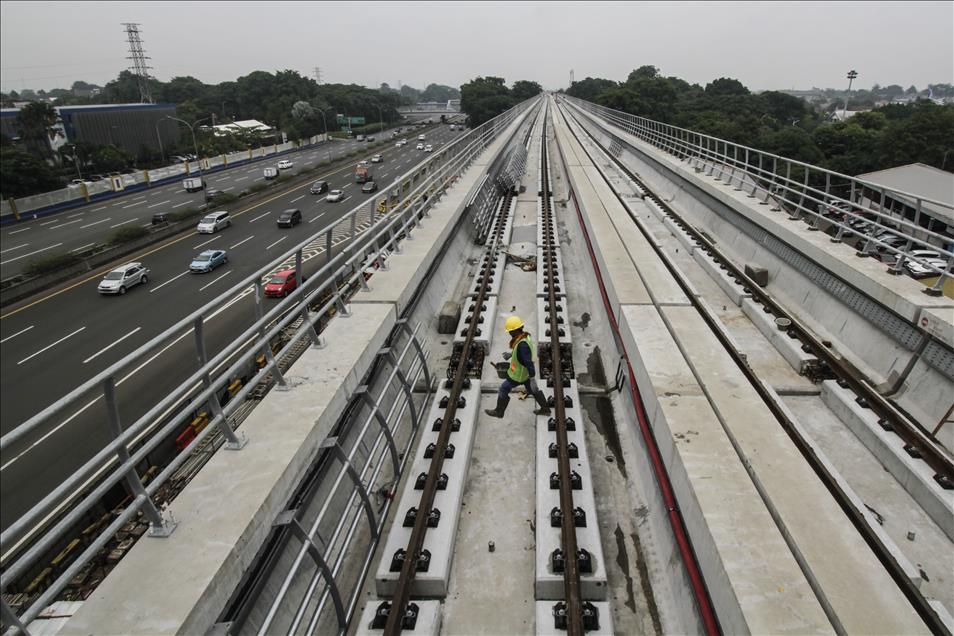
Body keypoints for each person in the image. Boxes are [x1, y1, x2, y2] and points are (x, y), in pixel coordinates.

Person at [485, 315, 551, 418]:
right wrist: (511, 354)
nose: (510, 334)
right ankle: (546, 409)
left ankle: (499, 412)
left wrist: (532, 378)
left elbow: (528, 361)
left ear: (516, 330)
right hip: (525, 374)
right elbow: (522, 351)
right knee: (534, 390)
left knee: (503, 389)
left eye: (511, 332)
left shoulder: (522, 345)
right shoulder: (525, 337)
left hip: (519, 376)